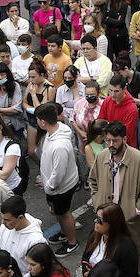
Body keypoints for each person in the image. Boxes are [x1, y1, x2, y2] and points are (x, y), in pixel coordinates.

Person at [89, 120, 140, 277]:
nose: (111, 144)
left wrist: (135, 210)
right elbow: (93, 181)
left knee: (139, 249)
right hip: (108, 216)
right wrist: (97, 201)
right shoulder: (103, 156)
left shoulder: (139, 160)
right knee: (109, 247)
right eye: (108, 140)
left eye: (115, 140)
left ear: (125, 139)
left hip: (131, 219)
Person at [36, 101, 81, 255]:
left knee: (64, 213)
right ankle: (64, 233)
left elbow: (58, 173)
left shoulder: (60, 145)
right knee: (59, 213)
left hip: (61, 188)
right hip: (57, 187)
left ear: (43, 122)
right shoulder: (54, 131)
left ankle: (72, 241)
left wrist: (48, 187)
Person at [0, 194, 49, 270]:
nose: (3, 223)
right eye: (3, 219)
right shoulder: (5, 226)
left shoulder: (36, 241)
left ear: (20, 217)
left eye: (7, 220)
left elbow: (39, 270)